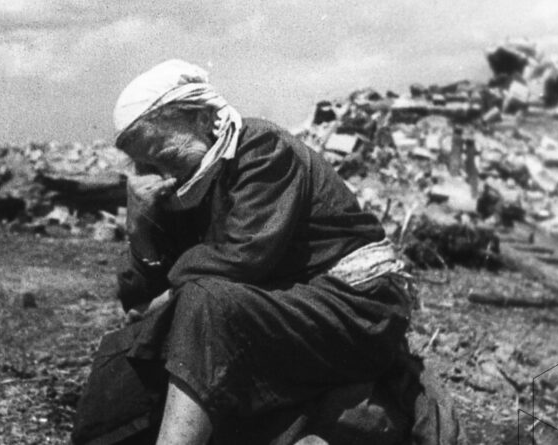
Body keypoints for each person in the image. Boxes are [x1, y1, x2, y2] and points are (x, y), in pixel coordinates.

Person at [73, 60, 462, 445]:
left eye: (165, 155)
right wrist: (140, 229)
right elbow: (140, 305)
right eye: (144, 163)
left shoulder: (262, 149)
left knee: (204, 302)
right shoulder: (177, 188)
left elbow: (243, 257)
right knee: (134, 346)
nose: (159, 174)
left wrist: (169, 297)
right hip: (279, 313)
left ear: (200, 119)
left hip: (353, 309)